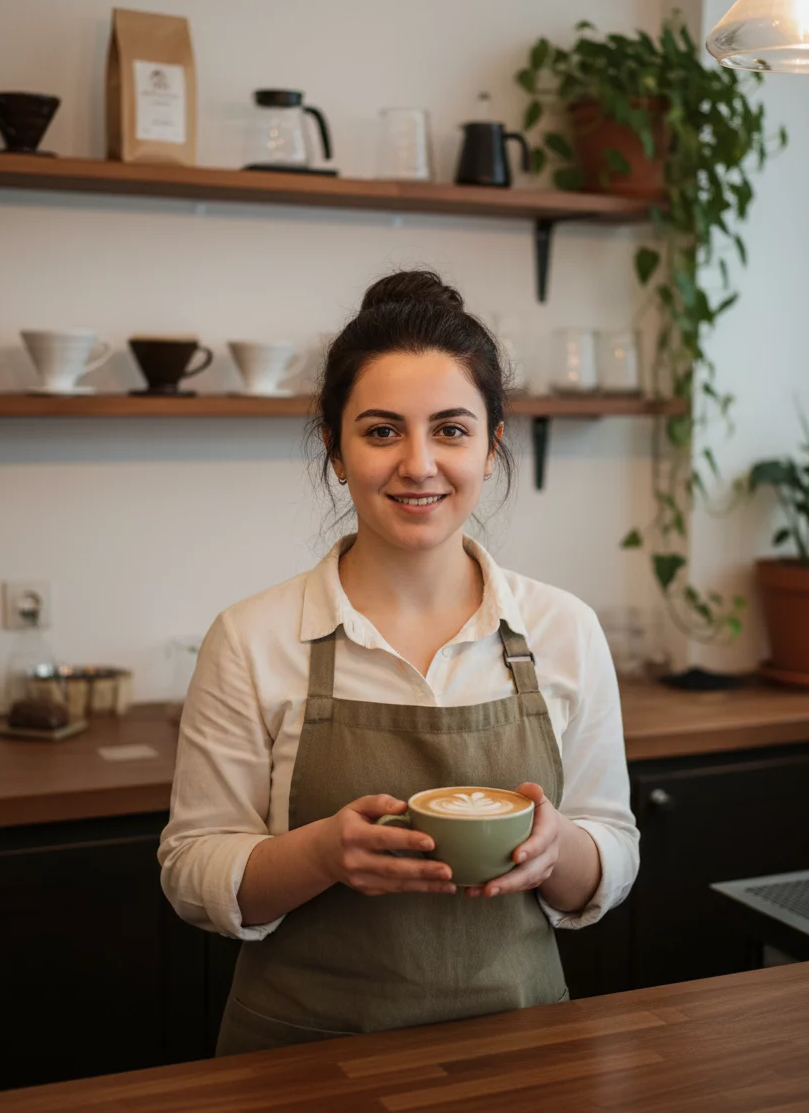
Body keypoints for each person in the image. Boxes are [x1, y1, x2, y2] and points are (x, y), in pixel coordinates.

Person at [158, 270, 639, 1055]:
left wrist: (560, 852)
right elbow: (191, 870)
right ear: (335, 449)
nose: (418, 464)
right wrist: (320, 854)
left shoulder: (564, 629)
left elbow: (612, 853)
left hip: (521, 1054)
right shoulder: (251, 637)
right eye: (382, 431)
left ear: (492, 446)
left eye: (450, 430)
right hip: (302, 1061)